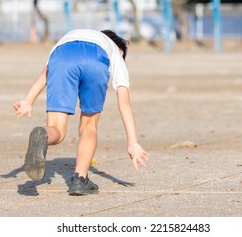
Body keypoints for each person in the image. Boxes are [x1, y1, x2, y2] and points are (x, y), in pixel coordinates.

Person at [13, 29, 149, 196]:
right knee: (89, 126)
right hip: (96, 59)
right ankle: (80, 179)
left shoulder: (72, 36)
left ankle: (43, 135)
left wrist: (28, 100)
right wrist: (132, 141)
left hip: (62, 53)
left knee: (56, 129)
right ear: (121, 51)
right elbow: (124, 103)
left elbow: (47, 72)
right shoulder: (114, 51)